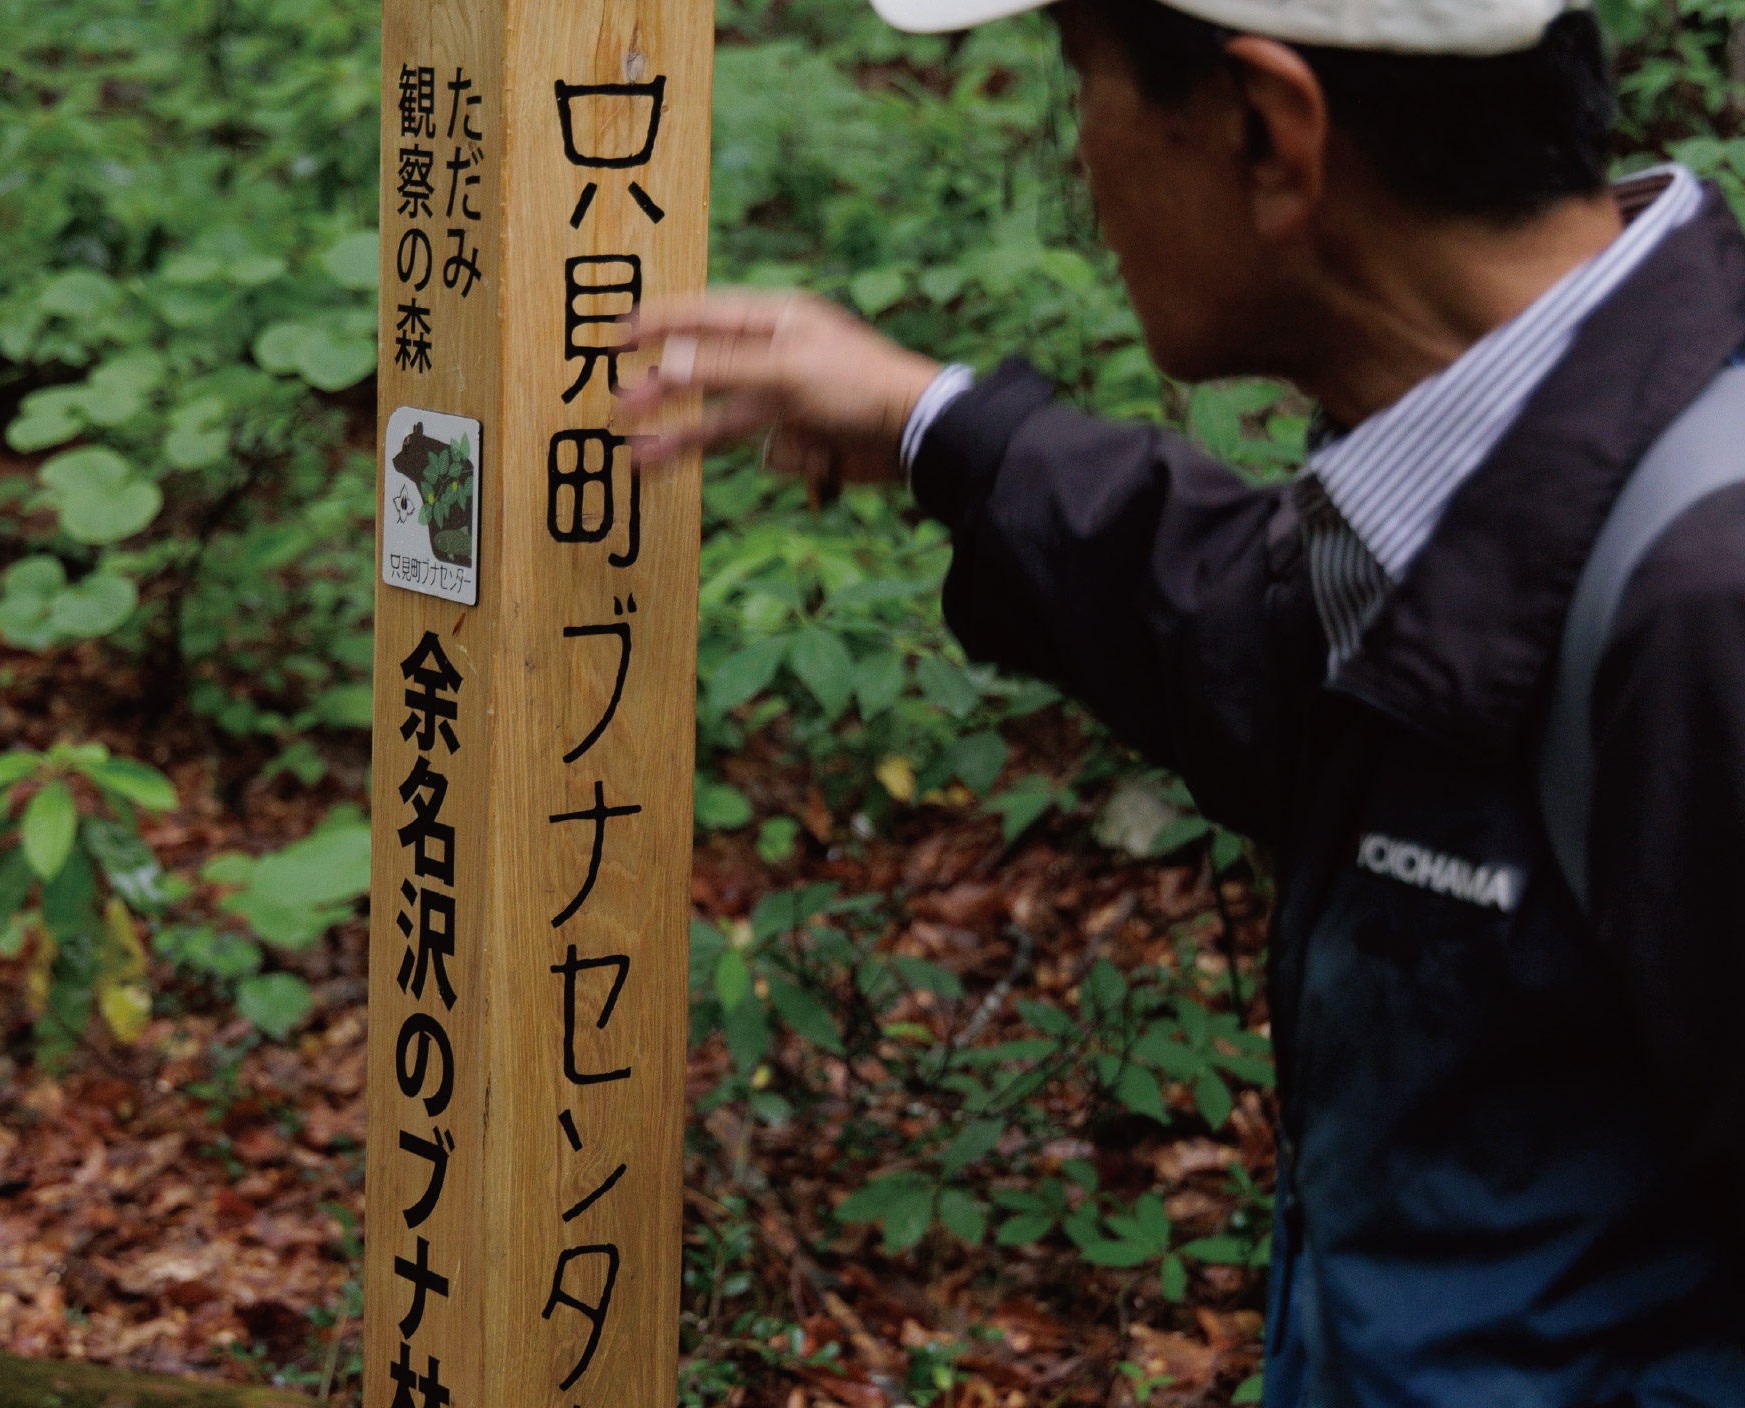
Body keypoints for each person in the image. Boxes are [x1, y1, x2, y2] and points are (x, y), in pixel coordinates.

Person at [615, 1, 1745, 1404]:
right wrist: (940, 424)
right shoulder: (1511, 464)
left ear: (1270, 132)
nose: (1078, 164)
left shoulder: (1706, 594)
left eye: (1078, 87)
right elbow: (1266, 648)